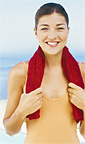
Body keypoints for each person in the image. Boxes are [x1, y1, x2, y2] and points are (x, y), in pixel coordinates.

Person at [3, 2, 85, 144]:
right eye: (44, 29)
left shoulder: (81, 72)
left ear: (68, 30)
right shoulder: (20, 72)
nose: (52, 36)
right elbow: (10, 130)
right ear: (36, 32)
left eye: (59, 28)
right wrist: (21, 111)